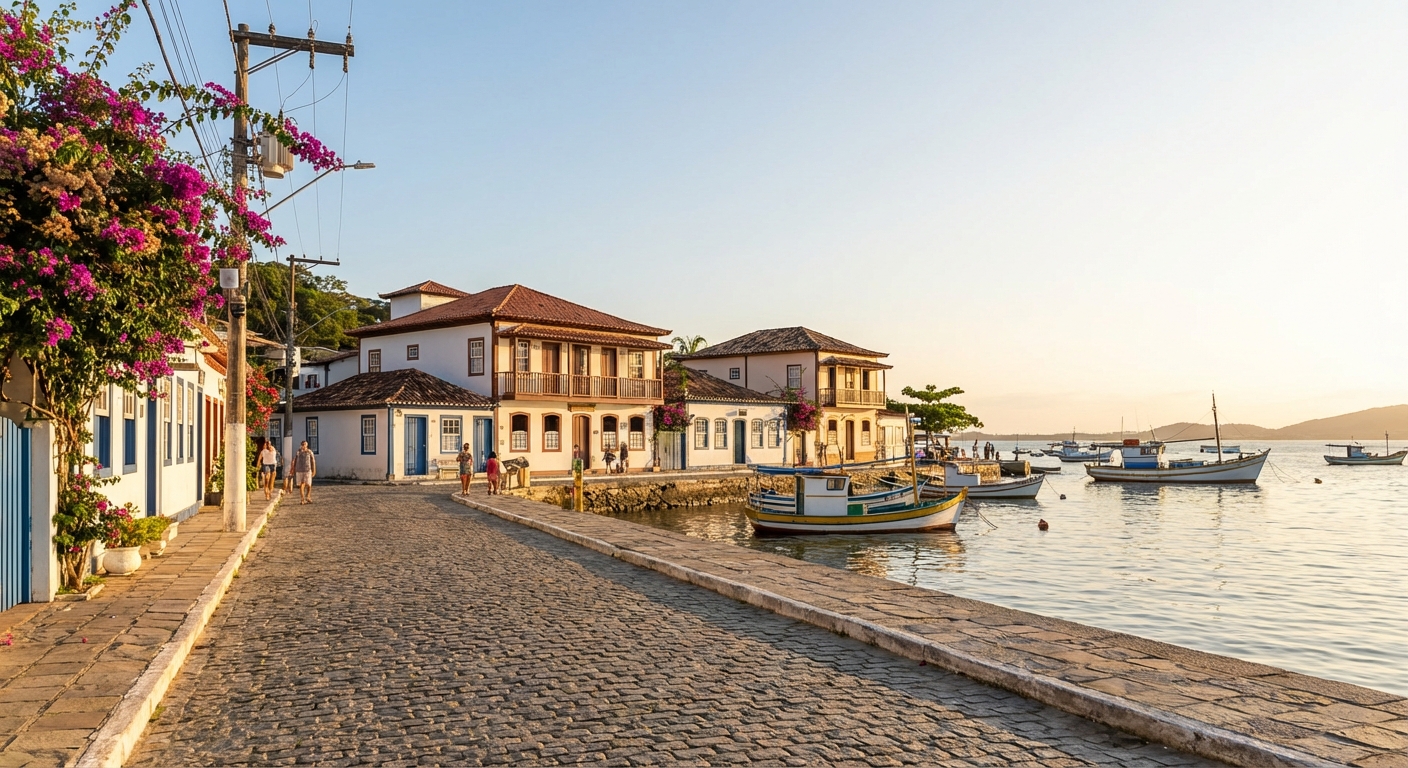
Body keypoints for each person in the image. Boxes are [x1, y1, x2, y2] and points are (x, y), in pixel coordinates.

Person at [293, 440, 316, 504]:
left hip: (307, 470)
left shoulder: (309, 452)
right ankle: (302, 499)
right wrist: (293, 468)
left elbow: (313, 461)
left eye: (304, 444)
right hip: (299, 470)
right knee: (302, 484)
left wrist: (314, 470)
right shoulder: (298, 452)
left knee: (309, 484)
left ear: (307, 445)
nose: (303, 445)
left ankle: (308, 496)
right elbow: (295, 460)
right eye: (302, 444)